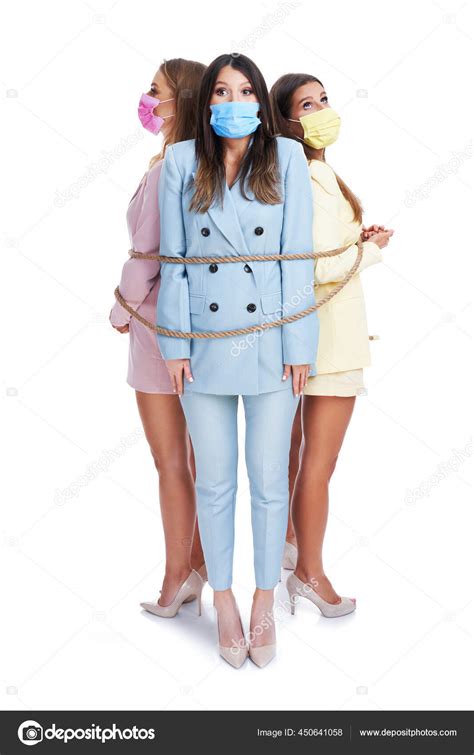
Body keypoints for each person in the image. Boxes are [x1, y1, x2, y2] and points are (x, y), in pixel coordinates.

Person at [156, 53, 318, 667]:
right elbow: (174, 260)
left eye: (246, 89)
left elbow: (296, 256)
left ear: (257, 98)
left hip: (274, 347)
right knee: (215, 481)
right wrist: (174, 344)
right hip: (201, 348)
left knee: (269, 481)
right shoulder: (180, 161)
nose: (233, 101)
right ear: (207, 103)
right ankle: (222, 598)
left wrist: (301, 344)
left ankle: (262, 599)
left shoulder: (288, 159)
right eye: (221, 91)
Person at [270, 73, 394, 617]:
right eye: (307, 104)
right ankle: (309, 575)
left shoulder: (311, 170)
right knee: (319, 463)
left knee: (299, 457)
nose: (322, 109)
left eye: (324, 99)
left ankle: (292, 554)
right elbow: (313, 265)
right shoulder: (306, 171)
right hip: (329, 339)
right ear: (287, 119)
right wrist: (372, 252)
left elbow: (320, 248)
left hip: (314, 335)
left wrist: (356, 239)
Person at [109, 58, 208, 617]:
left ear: (181, 102)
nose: (147, 99)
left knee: (170, 461)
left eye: (156, 91)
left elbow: (147, 252)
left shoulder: (169, 164)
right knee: (199, 461)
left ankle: (176, 580)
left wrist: (122, 308)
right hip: (201, 325)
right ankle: (197, 567)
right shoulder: (204, 164)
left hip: (155, 326)